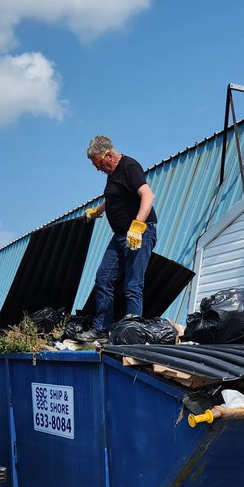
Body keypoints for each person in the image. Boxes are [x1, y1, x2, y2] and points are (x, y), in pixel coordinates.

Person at [84, 136, 157, 338]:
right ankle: (101, 328)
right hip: (119, 236)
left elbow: (148, 195)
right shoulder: (112, 174)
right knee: (103, 278)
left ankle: (133, 333)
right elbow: (115, 197)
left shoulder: (129, 166)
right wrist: (96, 211)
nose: (98, 169)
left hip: (139, 232)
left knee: (133, 284)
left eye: (98, 163)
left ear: (108, 155)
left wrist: (138, 225)